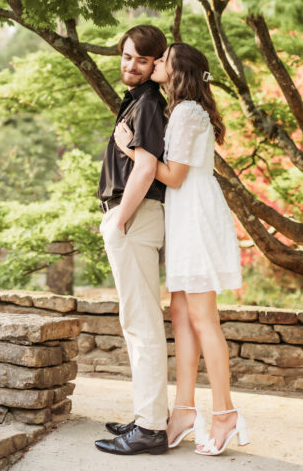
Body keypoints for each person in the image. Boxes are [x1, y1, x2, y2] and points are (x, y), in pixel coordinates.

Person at [114, 42, 249, 457]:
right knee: (181, 314)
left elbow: (173, 176)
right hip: (185, 215)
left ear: (178, 70)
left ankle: (225, 414)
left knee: (203, 318)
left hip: (195, 216)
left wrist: (129, 146)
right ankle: (184, 410)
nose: (155, 64)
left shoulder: (189, 111)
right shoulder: (184, 110)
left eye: (163, 59)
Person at [94, 24, 170, 457]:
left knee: (141, 324)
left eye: (142, 60)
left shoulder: (147, 105)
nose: (131, 65)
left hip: (133, 216)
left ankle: (151, 428)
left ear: (157, 63)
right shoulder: (138, 102)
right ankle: (146, 416)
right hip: (130, 217)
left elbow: (145, 169)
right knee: (136, 321)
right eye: (127, 56)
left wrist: (119, 220)